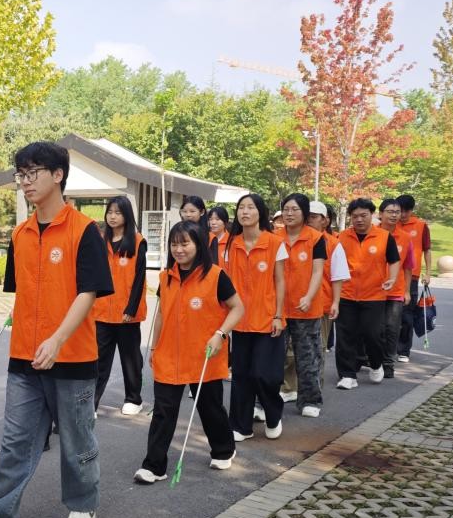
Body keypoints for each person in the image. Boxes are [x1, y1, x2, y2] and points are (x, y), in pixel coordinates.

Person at [0, 141, 113, 518]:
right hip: (24, 359)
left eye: (33, 173)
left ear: (58, 175)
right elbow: (25, 294)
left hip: (73, 357)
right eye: (21, 174)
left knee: (77, 440)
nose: (25, 182)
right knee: (14, 442)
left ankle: (83, 504)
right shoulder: (21, 234)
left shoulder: (84, 230)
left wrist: (58, 338)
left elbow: (88, 293)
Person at [135, 221, 244, 483]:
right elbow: (162, 314)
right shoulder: (165, 277)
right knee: (163, 411)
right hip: (169, 356)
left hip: (204, 355)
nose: (179, 249)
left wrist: (220, 334)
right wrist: (155, 346)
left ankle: (223, 449)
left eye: (185, 243)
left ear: (198, 245)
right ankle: (154, 466)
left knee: (210, 408)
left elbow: (238, 307)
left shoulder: (216, 276)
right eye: (174, 244)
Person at [222, 193, 288, 441]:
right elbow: (226, 283)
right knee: (241, 375)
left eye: (250, 207)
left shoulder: (275, 243)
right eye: (241, 207)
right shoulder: (232, 244)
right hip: (240, 320)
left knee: (264, 374)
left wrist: (278, 315)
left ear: (260, 212)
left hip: (268, 319)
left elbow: (280, 281)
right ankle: (241, 426)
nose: (245, 212)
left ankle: (273, 414)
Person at [334, 198, 401, 389]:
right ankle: (347, 375)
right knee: (345, 335)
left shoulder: (384, 237)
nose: (359, 220)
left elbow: (394, 260)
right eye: (355, 216)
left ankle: (376, 363)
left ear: (372, 215)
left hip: (374, 295)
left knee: (373, 334)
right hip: (346, 294)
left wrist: (392, 278)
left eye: (363, 215)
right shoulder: (342, 237)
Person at [93, 196, 147, 417]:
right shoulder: (99, 240)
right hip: (101, 312)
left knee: (130, 359)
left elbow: (139, 279)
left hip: (127, 314)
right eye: (110, 212)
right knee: (98, 360)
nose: (113, 216)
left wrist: (130, 309)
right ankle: (91, 402)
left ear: (127, 215)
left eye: (118, 212)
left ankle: (134, 398)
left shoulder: (137, 241)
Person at [278, 194, 328, 418]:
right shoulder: (274, 237)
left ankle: (310, 400)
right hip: (278, 309)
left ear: (305, 213)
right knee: (274, 358)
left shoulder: (316, 238)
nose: (289, 214)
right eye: (286, 209)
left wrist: (308, 296)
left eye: (294, 209)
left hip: (306, 308)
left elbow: (318, 271)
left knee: (308, 357)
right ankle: (267, 400)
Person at [378, 198, 415, 379]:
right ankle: (369, 359)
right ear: (380, 214)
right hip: (373, 290)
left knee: (392, 328)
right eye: (390, 212)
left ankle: (388, 363)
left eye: (397, 212)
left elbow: (408, 267)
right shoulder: (372, 234)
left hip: (396, 291)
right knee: (373, 329)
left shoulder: (405, 238)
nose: (394, 215)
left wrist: (406, 291)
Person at [307, 200, 348, 357]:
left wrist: (335, 302)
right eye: (307, 216)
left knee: (318, 349)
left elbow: (338, 277)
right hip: (294, 305)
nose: (309, 220)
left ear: (325, 220)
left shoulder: (333, 244)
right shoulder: (293, 239)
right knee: (290, 354)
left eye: (313, 217)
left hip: (321, 305)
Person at [395, 194, 432, 363]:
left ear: (411, 210)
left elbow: (427, 250)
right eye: (400, 211)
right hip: (390, 275)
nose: (402, 215)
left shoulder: (421, 226)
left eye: (406, 211)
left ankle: (403, 350)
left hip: (412, 275)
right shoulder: (390, 224)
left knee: (407, 313)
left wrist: (428, 272)